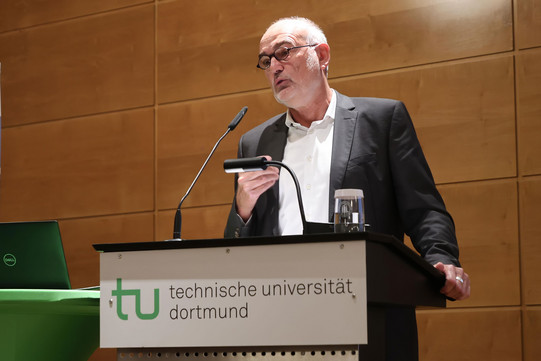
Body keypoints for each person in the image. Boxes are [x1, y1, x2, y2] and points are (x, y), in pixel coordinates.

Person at [224, 16, 470, 360]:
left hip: (366, 308)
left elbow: (423, 208)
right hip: (281, 313)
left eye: (284, 52)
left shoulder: (381, 120)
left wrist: (442, 259)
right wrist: (243, 207)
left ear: (322, 55)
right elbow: (234, 245)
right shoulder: (255, 142)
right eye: (266, 61)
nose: (274, 67)